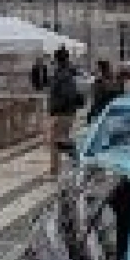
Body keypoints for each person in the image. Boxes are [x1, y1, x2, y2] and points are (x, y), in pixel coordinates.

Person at [45, 45, 83, 177]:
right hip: (65, 112)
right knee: (61, 141)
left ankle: (60, 169)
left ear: (58, 60)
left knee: (57, 142)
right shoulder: (66, 73)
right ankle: (74, 162)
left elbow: (67, 94)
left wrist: (57, 109)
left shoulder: (63, 75)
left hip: (62, 113)